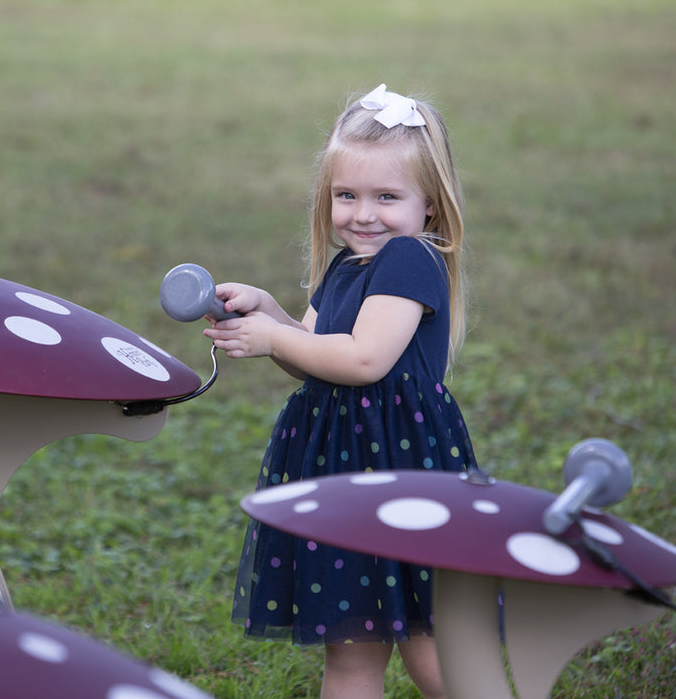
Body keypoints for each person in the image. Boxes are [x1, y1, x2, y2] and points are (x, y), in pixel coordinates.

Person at [204, 84, 477, 699]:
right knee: (351, 652)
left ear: (429, 204)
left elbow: (362, 359)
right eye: (346, 195)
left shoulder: (409, 259)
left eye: (387, 196)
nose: (363, 214)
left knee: (431, 651)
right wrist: (267, 311)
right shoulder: (346, 267)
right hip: (341, 466)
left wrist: (271, 339)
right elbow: (314, 352)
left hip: (400, 467)